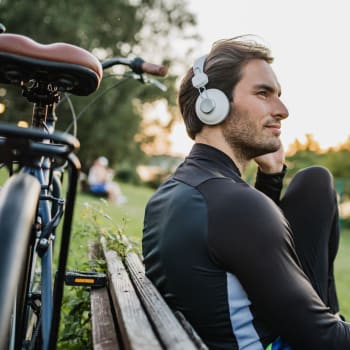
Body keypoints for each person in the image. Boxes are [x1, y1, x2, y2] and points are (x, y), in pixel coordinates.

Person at [142, 36, 350, 349]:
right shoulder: (236, 206)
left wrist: (272, 177)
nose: (282, 110)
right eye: (263, 93)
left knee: (315, 184)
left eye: (278, 95)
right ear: (211, 105)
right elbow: (324, 340)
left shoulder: (178, 191)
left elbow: (247, 246)